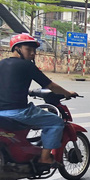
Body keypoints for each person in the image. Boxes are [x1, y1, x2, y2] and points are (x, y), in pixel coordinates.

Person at [0, 33, 78, 166]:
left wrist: (27, 91)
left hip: (2, 113)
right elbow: (50, 85)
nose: (32, 53)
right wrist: (66, 93)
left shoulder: (2, 64)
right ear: (17, 49)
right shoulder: (27, 66)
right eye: (28, 49)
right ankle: (45, 158)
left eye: (34, 50)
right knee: (56, 122)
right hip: (19, 112)